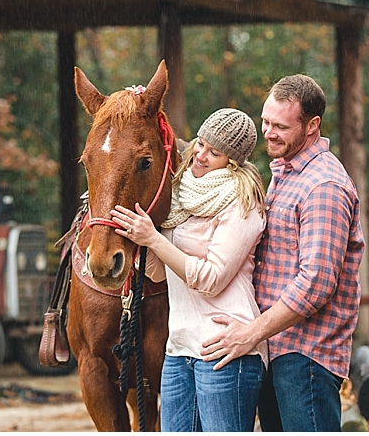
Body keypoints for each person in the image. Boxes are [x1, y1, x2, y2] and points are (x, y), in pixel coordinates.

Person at [201, 75, 364, 432]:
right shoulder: (286, 173)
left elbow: (316, 283)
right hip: (276, 349)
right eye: (265, 121)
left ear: (312, 125)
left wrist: (251, 332)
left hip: (305, 357)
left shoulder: (324, 185)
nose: (268, 133)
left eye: (280, 126)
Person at [111, 108, 268, 432]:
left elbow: (210, 278)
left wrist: (153, 238)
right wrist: (134, 241)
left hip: (225, 349)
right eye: (201, 143)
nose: (200, 154)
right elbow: (158, 273)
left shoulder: (242, 201)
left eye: (215, 152)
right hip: (179, 347)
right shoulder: (182, 192)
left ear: (233, 162)